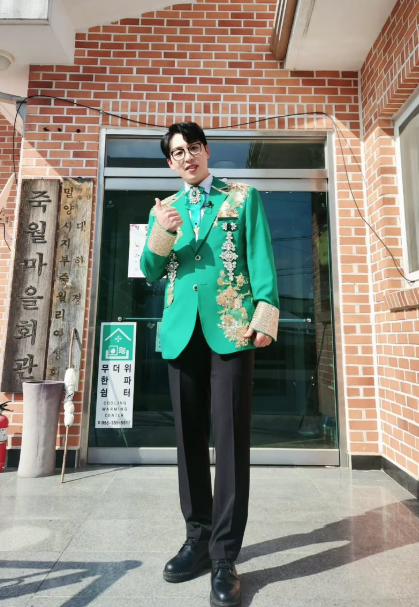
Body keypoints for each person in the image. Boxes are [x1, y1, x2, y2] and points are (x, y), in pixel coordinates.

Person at [140, 122, 279, 607]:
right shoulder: (165, 209)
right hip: (181, 331)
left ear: (206, 151)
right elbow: (150, 272)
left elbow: (260, 256)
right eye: (177, 152)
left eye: (193, 148)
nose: (187, 157)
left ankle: (224, 555)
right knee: (188, 441)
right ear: (170, 162)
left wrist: (265, 313)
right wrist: (162, 231)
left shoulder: (242, 198)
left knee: (232, 440)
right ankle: (196, 539)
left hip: (232, 327)